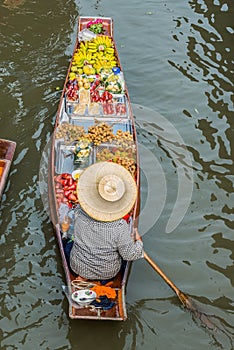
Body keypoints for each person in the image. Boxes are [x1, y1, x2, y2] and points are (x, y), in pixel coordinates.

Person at [69, 161, 143, 281]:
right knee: (124, 253)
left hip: (77, 267)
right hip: (107, 273)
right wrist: (138, 241)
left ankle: (82, 277)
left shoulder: (79, 211)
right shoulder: (120, 226)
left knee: (69, 243)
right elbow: (130, 255)